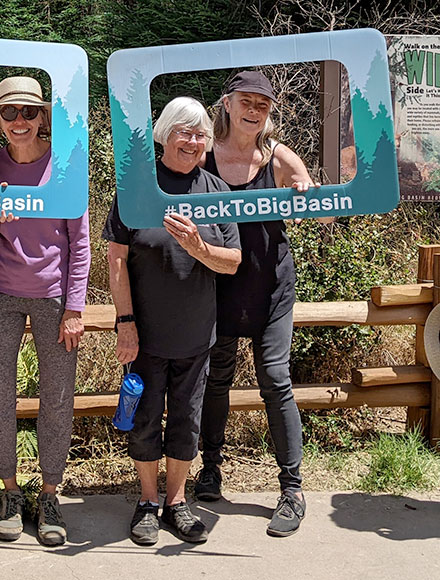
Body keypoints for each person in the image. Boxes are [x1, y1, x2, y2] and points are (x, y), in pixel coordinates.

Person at [104, 97, 241, 547]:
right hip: (143, 335)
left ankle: (176, 502)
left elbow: (233, 262)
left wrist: (200, 248)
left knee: (186, 420)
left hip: (197, 334)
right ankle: (146, 502)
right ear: (164, 135)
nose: (193, 141)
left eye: (201, 134)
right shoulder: (137, 188)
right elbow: (117, 260)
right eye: (184, 131)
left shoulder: (218, 193)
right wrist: (125, 322)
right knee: (144, 419)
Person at [195, 71, 317, 537]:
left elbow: (309, 192)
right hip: (218, 287)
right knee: (216, 380)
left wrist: (304, 190)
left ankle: (292, 488)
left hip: (271, 290)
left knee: (276, 379)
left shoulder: (277, 157)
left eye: (262, 105)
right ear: (226, 103)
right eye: (246, 101)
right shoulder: (202, 155)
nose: (253, 110)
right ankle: (210, 470)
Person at [0, 76, 90, 546]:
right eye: (8, 113)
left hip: (54, 299)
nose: (19, 121)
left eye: (28, 112)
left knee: (57, 398)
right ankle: (10, 492)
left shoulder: (65, 165)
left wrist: (75, 307)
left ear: (43, 117)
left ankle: (50, 493)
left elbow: (79, 244)